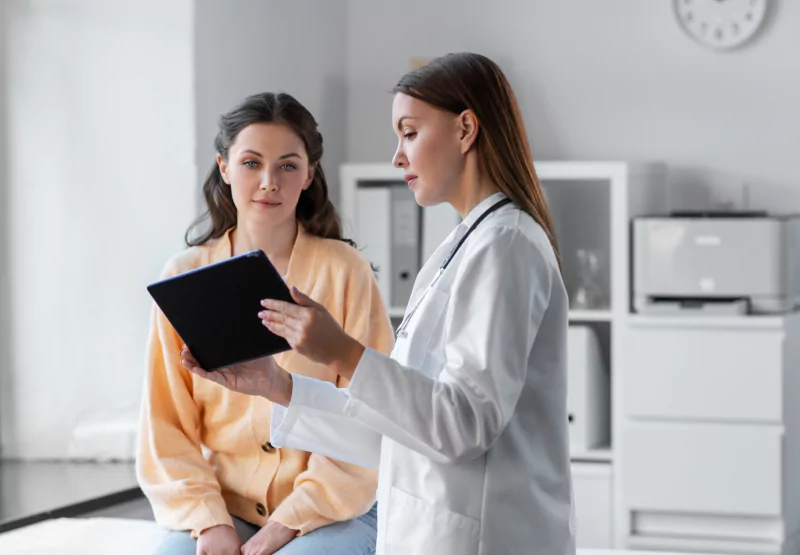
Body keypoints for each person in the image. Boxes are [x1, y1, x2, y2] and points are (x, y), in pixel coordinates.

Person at [182, 53, 575, 555]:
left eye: (409, 133)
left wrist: (341, 351)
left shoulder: (505, 246)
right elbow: (398, 432)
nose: (397, 156)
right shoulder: (467, 245)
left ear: (466, 128)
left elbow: (463, 427)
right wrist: (277, 385)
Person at [137, 92, 394, 555]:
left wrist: (287, 525)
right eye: (252, 163)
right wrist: (208, 522)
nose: (269, 182)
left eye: (288, 166)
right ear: (224, 166)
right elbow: (164, 427)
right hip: (222, 505)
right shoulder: (184, 277)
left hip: (333, 507)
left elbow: (374, 412)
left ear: (310, 174)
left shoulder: (345, 271)